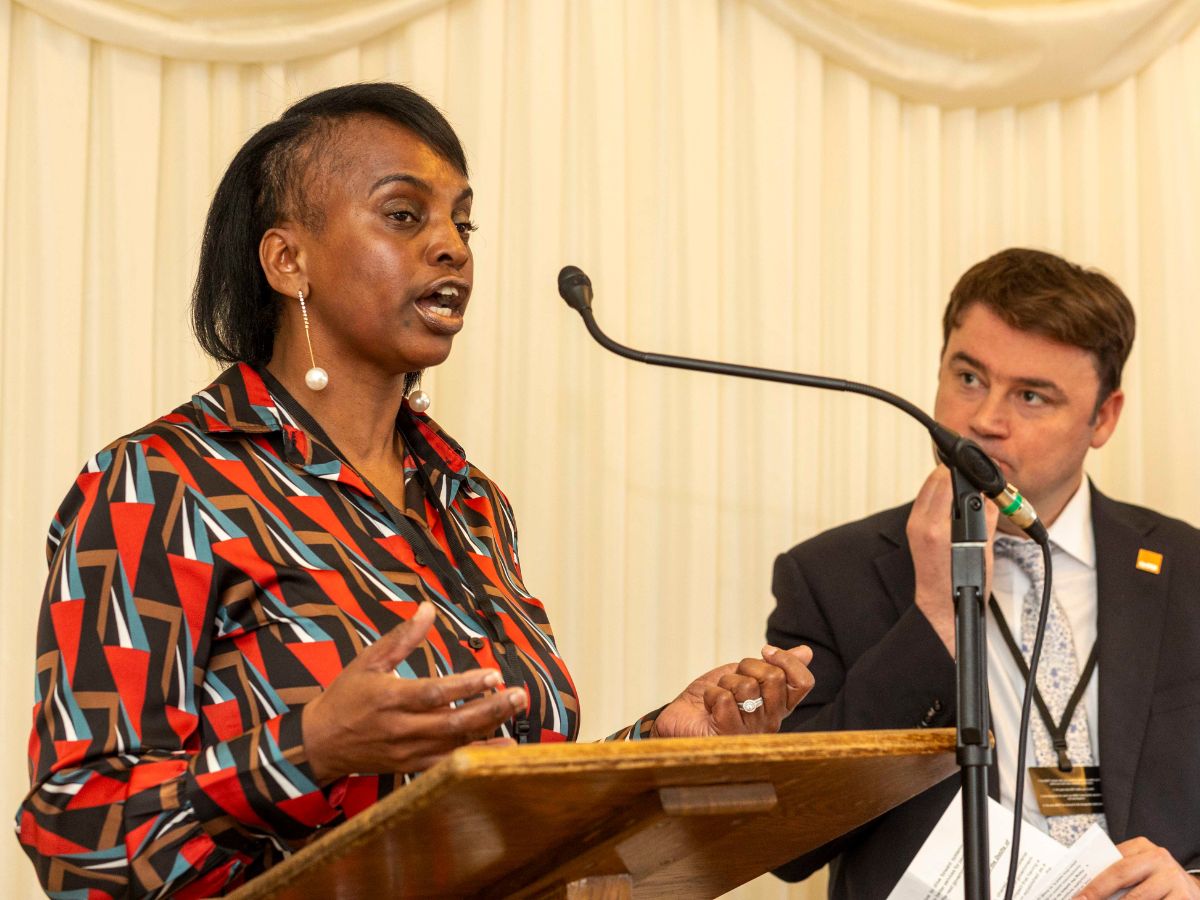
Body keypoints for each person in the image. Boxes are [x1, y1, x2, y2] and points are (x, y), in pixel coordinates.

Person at [17, 83, 815, 899]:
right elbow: (77, 839)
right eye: (405, 215)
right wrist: (311, 748)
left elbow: (498, 805)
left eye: (461, 223)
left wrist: (666, 742)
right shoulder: (163, 484)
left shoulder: (469, 502)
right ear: (288, 258)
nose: (453, 248)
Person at [766, 248, 1200, 899]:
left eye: (1031, 396)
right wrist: (936, 614)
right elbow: (791, 842)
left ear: (1102, 418)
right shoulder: (832, 574)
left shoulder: (1188, 570)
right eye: (968, 378)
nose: (983, 421)